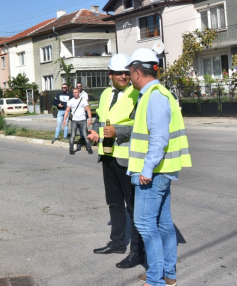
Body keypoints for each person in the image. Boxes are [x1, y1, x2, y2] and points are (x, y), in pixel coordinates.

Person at [126, 48, 191, 286]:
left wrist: (146, 169)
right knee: (163, 224)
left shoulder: (153, 96)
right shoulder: (159, 93)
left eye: (129, 72)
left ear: (136, 71)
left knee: (145, 224)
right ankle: (167, 274)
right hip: (161, 171)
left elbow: (159, 138)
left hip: (153, 173)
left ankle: (155, 280)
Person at [87, 54, 145, 269]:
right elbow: (102, 119)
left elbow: (140, 126)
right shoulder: (105, 94)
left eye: (126, 72)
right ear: (109, 74)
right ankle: (117, 242)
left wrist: (117, 131)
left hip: (127, 158)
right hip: (108, 156)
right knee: (113, 202)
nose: (123, 76)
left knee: (133, 207)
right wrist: (95, 131)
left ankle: (137, 252)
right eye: (119, 72)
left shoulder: (137, 93)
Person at [63, 87, 93, 155]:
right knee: (72, 135)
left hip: (82, 120)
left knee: (85, 135)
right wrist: (64, 119)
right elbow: (67, 111)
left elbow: (88, 110)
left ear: (79, 93)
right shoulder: (71, 101)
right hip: (74, 120)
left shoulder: (83, 100)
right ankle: (71, 149)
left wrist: (90, 119)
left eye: (76, 92)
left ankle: (89, 148)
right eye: (73, 92)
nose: (75, 94)